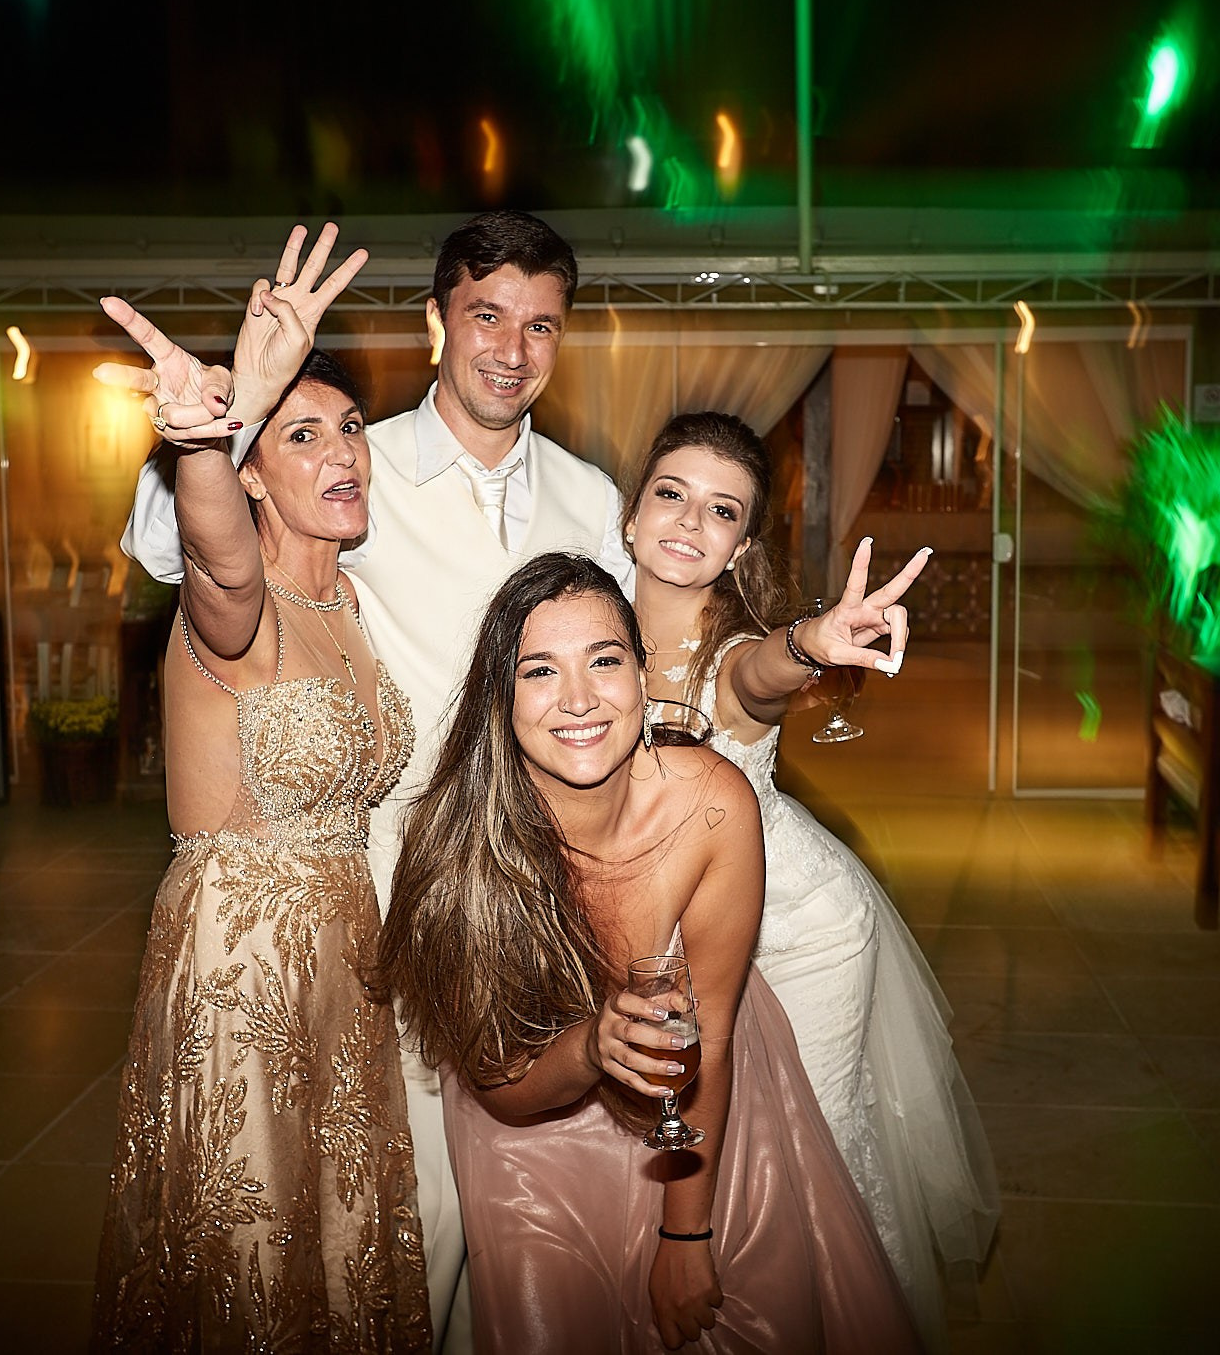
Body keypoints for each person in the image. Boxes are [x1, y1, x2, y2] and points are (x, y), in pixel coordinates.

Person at [110, 211, 626, 1347]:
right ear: (435, 321)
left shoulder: (588, 500)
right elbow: (198, 560)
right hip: (336, 913)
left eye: (541, 324)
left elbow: (637, 666)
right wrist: (217, 424)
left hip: (485, 899)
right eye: (485, 314)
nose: (510, 346)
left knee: (403, 1221)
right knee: (367, 1218)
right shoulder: (357, 469)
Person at [374, 553, 924, 1354]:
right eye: (539, 671)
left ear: (642, 672)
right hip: (532, 1119)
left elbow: (720, 1033)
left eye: (604, 660)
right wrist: (594, 1045)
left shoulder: (710, 803)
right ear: (502, 697)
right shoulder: (461, 845)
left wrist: (686, 1237)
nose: (579, 698)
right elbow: (502, 1087)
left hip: (697, 1097)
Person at [90, 231, 432, 1350]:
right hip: (239, 972)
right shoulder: (231, 619)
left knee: (342, 1252)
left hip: (347, 964)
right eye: (302, 434)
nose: (343, 453)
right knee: (248, 1260)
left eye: (348, 431)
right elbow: (222, 561)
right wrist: (200, 436)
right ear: (249, 471)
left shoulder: (356, 611)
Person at [621, 411, 1001, 1342]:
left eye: (721, 510)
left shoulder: (734, 648)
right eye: (670, 494)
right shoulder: (589, 628)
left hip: (804, 933)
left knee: (806, 1152)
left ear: (741, 543)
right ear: (630, 516)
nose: (686, 522)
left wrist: (810, 644)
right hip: (683, 927)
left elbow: (760, 673)